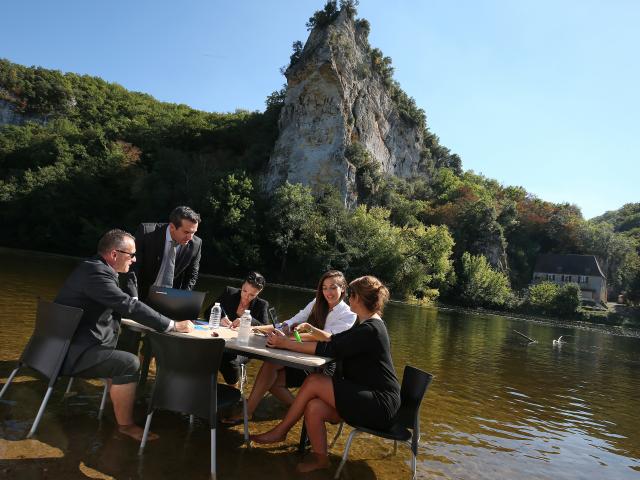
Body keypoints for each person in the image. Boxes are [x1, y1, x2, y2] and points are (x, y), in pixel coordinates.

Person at [250, 275, 400, 473]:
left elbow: (330, 349)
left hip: (380, 404)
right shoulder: (366, 323)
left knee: (314, 381)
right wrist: (313, 330)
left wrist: (286, 343)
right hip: (364, 394)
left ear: (356, 298)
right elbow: (334, 339)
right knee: (314, 407)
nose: (348, 300)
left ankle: (281, 431)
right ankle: (321, 459)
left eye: (351, 295)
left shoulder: (370, 329)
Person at [55, 229, 194, 441]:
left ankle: (116, 404)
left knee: (121, 352)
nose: (135, 259)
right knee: (129, 362)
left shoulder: (91, 268)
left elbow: (121, 304)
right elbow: (127, 305)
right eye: (131, 255)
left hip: (60, 348)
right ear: (114, 254)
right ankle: (125, 425)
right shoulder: (97, 274)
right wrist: (172, 325)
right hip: (71, 354)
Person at [225, 270, 355, 423]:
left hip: (324, 364)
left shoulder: (349, 314)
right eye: (324, 288)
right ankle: (293, 409)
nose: (328, 292)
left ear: (343, 289)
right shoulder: (316, 302)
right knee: (271, 366)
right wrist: (263, 328)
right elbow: (292, 321)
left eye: (333, 287)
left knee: (272, 373)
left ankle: (258, 411)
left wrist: (288, 338)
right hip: (301, 353)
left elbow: (328, 338)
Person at [121, 205, 202, 301]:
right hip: (140, 295)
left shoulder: (196, 244)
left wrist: (181, 300)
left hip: (170, 300)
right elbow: (132, 268)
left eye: (193, 232)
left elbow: (192, 276)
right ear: (172, 227)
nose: (190, 237)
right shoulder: (146, 233)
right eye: (186, 232)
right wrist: (133, 297)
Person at [204, 271, 269, 384]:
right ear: (242, 285)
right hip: (223, 339)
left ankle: (235, 386)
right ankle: (207, 385)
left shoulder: (262, 305)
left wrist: (248, 321)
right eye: (244, 291)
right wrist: (220, 317)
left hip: (245, 345)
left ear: (259, 292)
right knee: (206, 352)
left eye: (252, 295)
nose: (246, 296)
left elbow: (266, 328)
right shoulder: (229, 292)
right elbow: (207, 312)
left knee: (228, 359)